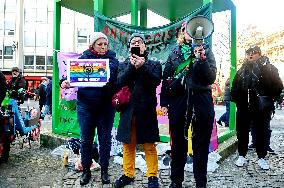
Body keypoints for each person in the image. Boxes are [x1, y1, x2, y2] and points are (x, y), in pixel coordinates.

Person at [160, 22, 217, 188]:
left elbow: (210, 77)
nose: (190, 32)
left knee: (200, 143)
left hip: (201, 99)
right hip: (179, 101)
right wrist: (164, 101)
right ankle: (176, 181)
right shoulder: (174, 53)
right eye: (186, 29)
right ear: (182, 33)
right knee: (178, 144)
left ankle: (201, 182)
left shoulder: (206, 51)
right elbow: (166, 78)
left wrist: (201, 60)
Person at [61, 32, 119, 185]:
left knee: (105, 140)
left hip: (106, 107)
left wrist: (104, 67)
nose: (103, 47)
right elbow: (70, 76)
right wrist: (64, 82)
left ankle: (105, 171)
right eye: (100, 44)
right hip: (86, 106)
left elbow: (114, 77)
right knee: (86, 140)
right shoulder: (82, 59)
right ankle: (86, 170)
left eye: (105, 44)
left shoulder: (113, 60)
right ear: (92, 45)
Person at [113, 33, 162, 188]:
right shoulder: (123, 64)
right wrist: (132, 66)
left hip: (146, 110)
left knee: (149, 145)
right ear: (129, 47)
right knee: (128, 145)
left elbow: (154, 82)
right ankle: (128, 174)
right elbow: (119, 82)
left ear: (144, 46)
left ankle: (152, 176)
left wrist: (142, 66)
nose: (136, 44)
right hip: (128, 111)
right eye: (133, 42)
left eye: (139, 42)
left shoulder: (153, 64)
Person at [231, 45, 283, 170]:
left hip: (262, 107)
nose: (250, 55)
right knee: (242, 131)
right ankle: (242, 155)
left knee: (261, 132)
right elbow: (235, 86)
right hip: (244, 106)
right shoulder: (242, 70)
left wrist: (270, 99)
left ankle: (261, 157)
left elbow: (278, 86)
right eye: (248, 53)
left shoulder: (269, 68)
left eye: (253, 52)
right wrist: (237, 100)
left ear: (259, 53)